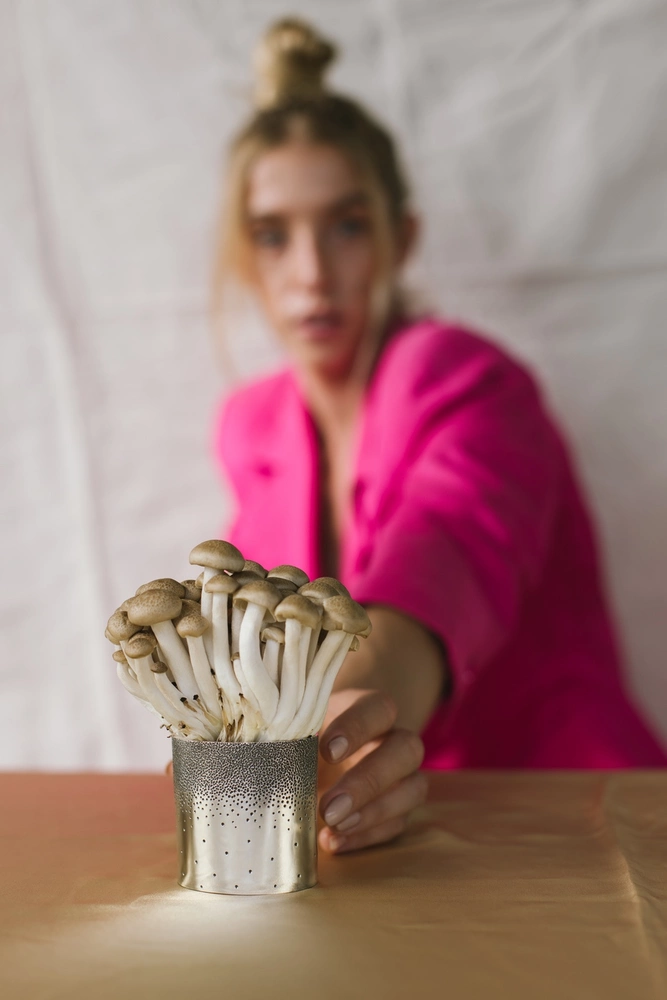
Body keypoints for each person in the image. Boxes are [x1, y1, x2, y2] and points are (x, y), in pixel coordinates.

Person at [210, 18, 667, 855]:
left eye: (346, 226)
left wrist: (340, 726)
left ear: (402, 238)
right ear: (246, 255)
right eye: (274, 234)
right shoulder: (253, 429)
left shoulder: (468, 379)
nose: (311, 273)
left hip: (574, 815)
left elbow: (444, 566)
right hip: (384, 835)